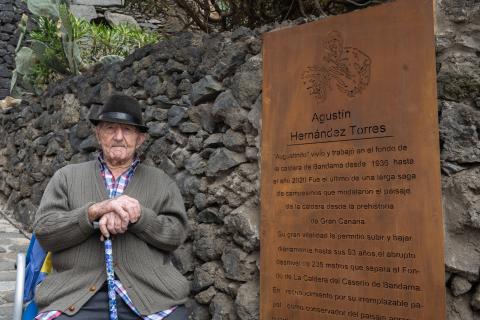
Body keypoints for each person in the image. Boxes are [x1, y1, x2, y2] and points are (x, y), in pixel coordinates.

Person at [33, 94, 190, 319]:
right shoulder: (66, 177)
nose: (118, 137)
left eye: (127, 130)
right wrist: (93, 212)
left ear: (140, 139)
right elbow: (45, 232)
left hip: (149, 293)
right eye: (110, 128)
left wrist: (138, 217)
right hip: (76, 294)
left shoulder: (162, 182)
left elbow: (175, 235)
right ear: (98, 134)